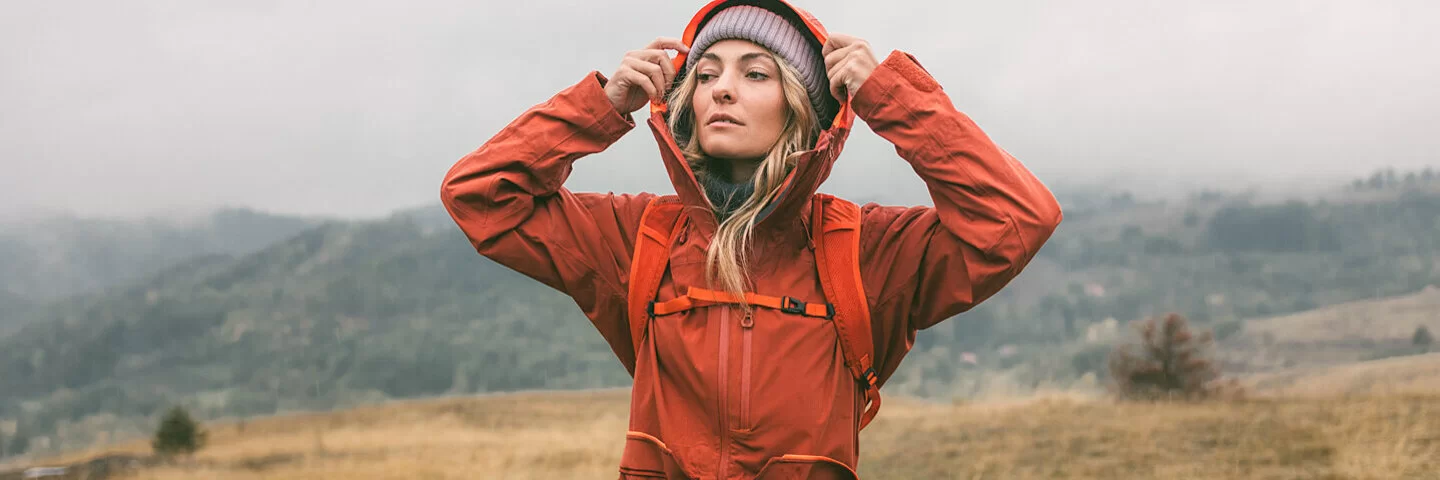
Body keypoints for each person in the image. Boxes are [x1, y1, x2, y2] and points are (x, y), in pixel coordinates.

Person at [440, 1, 1061, 478]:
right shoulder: (637, 238)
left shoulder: (863, 249)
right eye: (705, 74)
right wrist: (602, 105)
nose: (722, 88)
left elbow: (1015, 220)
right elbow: (479, 195)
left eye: (755, 72)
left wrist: (891, 97)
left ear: (803, 106)